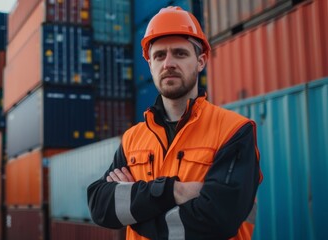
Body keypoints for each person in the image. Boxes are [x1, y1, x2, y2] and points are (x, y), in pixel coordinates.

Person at [87, 6, 262, 240]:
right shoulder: (132, 139)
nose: (168, 63)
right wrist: (174, 191)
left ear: (201, 61)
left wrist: (136, 213)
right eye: (159, 55)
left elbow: (217, 221)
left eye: (180, 53)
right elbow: (100, 205)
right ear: (150, 65)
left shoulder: (233, 131)